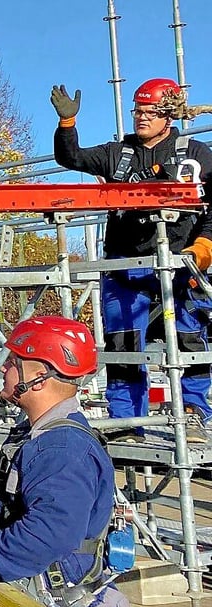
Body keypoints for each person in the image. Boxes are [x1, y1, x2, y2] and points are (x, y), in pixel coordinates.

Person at [52, 79, 212, 444]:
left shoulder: (196, 155)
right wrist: (67, 124)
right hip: (126, 265)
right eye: (137, 111)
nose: (141, 118)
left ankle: (193, 412)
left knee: (190, 339)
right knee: (124, 345)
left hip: (182, 263)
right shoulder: (118, 154)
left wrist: (204, 247)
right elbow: (71, 158)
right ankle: (126, 422)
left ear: (168, 116)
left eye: (149, 112)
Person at [0, 316, 124, 607]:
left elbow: (48, 534)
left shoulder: (61, 449)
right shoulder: (40, 436)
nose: (4, 368)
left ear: (38, 378)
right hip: (38, 596)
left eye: (13, 361)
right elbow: (27, 504)